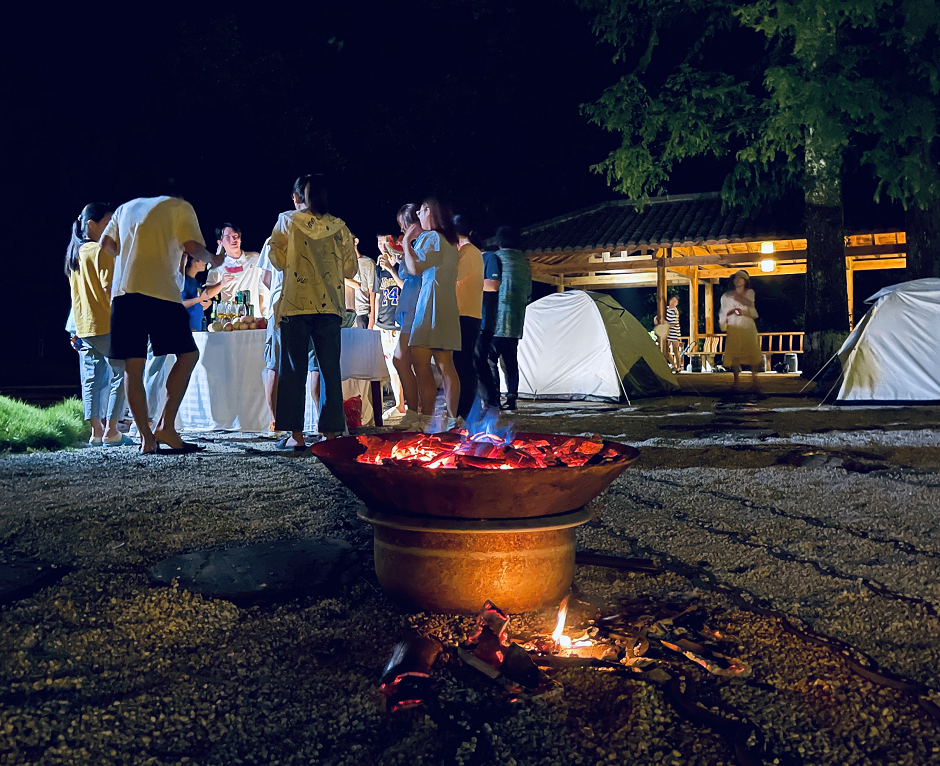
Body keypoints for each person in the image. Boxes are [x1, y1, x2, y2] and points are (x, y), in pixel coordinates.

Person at [100, 195, 221, 454]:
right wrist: (214, 259)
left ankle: (147, 439)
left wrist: (132, 256)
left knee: (133, 365)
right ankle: (166, 426)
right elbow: (191, 245)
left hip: (124, 294)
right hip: (161, 293)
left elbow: (106, 243)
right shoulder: (179, 206)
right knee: (188, 355)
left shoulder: (124, 207)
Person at [266, 174, 357, 449]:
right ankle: (331, 434)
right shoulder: (339, 227)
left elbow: (277, 260)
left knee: (293, 369)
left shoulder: (287, 220)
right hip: (329, 305)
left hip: (296, 304)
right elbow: (350, 269)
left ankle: (295, 436)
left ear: (298, 197)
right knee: (329, 368)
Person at [257, 176, 323, 435]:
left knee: (276, 364)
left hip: (283, 306)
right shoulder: (324, 231)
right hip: (316, 305)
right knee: (314, 364)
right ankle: (320, 421)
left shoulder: (279, 230)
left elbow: (265, 276)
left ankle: (278, 423)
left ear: (295, 198)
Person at [65, 202, 130, 446]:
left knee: (91, 378)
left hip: (83, 326)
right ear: (91, 225)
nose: (111, 227)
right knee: (124, 372)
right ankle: (112, 430)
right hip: (104, 323)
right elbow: (110, 290)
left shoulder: (75, 253)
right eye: (107, 223)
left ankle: (96, 431)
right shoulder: (100, 250)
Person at [483, 226, 531, 412]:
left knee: (489, 359)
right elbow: (528, 294)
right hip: (516, 320)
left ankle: (494, 396)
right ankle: (512, 398)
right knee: (510, 361)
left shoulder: (496, 258)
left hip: (495, 319)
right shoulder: (525, 263)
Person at [390, 204, 425, 431]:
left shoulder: (424, 242)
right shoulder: (413, 244)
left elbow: (416, 271)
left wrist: (404, 246)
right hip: (408, 305)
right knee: (403, 360)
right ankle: (414, 411)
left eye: (404, 224)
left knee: (407, 360)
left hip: (416, 307)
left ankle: (417, 412)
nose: (403, 229)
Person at [453, 214, 484, 420]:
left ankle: (466, 410)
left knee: (462, 363)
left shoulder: (468, 252)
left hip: (466, 314)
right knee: (462, 362)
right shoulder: (470, 252)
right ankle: (467, 409)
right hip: (467, 313)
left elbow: (453, 276)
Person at [375, 232, 406, 420]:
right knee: (391, 367)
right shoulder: (379, 268)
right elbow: (377, 296)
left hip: (400, 323)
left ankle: (413, 405)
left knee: (404, 366)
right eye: (379, 242)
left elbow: (406, 286)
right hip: (383, 323)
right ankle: (399, 404)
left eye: (385, 241)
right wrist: (374, 322)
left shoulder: (403, 265)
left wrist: (392, 268)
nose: (382, 245)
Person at [720, 270, 763, 391]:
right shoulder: (726, 296)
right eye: (736, 278)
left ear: (745, 281)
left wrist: (738, 308)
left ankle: (755, 380)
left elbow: (749, 305)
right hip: (733, 325)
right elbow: (723, 311)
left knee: (752, 351)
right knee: (734, 353)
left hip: (747, 325)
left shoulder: (749, 292)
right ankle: (736, 381)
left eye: (741, 278)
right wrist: (724, 321)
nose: (738, 280)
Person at [205, 223, 263, 311]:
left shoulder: (255, 258)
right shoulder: (217, 266)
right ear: (220, 243)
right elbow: (207, 294)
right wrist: (221, 284)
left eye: (235, 236)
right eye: (228, 237)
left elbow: (263, 286)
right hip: (230, 317)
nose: (233, 239)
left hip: (253, 318)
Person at [475, 247, 502, 409]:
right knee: (474, 362)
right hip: (471, 318)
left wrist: (468, 279)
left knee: (480, 362)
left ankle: (490, 402)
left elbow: (493, 285)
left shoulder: (490, 257)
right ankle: (484, 401)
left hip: (483, 320)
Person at [182, 256, 225, 331]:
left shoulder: (198, 283)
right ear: (195, 261)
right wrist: (200, 298)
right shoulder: (183, 281)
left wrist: (205, 305)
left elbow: (195, 306)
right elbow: (180, 304)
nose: (205, 262)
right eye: (203, 260)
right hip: (186, 327)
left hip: (198, 326)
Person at [346, 237, 378, 329]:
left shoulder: (367, 263)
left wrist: (372, 320)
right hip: (347, 314)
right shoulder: (342, 264)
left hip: (362, 313)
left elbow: (373, 292)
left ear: (355, 241)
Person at [665, 295, 683, 371]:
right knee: (665, 350)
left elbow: (674, 323)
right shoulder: (666, 309)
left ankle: (678, 367)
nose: (673, 302)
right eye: (672, 300)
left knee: (676, 350)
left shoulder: (675, 311)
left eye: (675, 301)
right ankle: (673, 364)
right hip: (668, 332)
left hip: (674, 332)